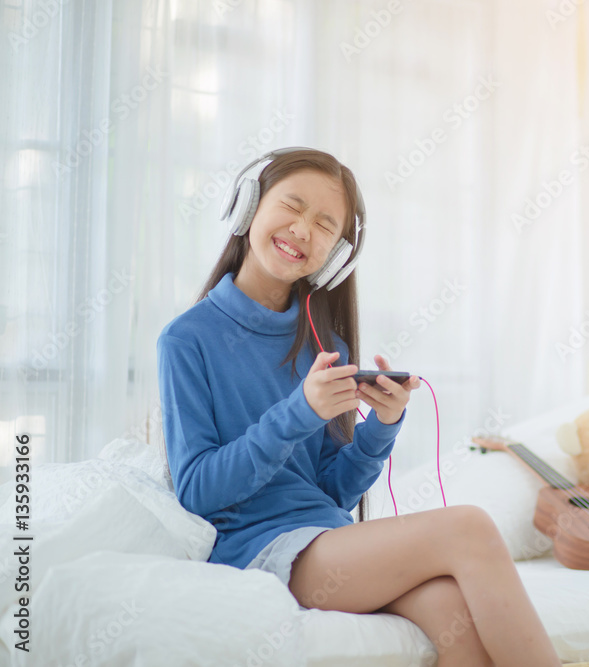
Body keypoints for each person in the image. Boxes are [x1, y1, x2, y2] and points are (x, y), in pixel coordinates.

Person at [156, 147, 561, 667]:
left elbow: (329, 490)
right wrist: (299, 410)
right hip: (260, 551)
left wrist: (381, 428)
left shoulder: (324, 346)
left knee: (453, 614)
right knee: (469, 528)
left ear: (336, 254)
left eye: (325, 224)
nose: (303, 229)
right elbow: (198, 494)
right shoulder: (186, 340)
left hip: (328, 540)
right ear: (247, 207)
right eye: (292, 206)